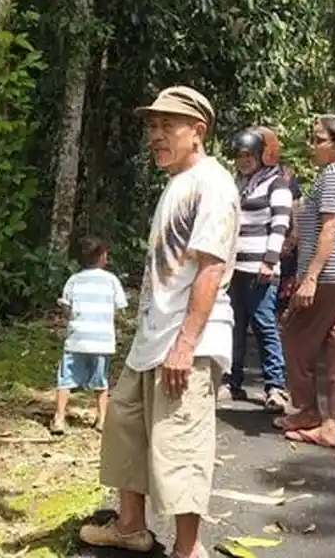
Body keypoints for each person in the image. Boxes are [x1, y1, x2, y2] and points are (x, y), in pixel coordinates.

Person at [78, 86, 237, 558]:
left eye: (169, 125)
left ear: (198, 132)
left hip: (186, 340)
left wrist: (186, 343)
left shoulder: (214, 184)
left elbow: (211, 267)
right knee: (127, 429)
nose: (157, 135)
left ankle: (189, 549)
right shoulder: (177, 183)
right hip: (153, 337)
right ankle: (130, 527)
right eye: (153, 125)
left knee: (180, 444)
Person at [274, 114, 335, 450]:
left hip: (331, 272)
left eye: (319, 140)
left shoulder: (332, 174)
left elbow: (331, 227)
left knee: (294, 336)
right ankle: (332, 425)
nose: (312, 146)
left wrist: (310, 276)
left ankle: (307, 410)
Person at [223, 128, 293, 413]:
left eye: (249, 156)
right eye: (239, 156)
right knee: (234, 325)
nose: (243, 161)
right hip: (234, 266)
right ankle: (232, 379)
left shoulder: (277, 184)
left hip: (260, 267)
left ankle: (275, 386)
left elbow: (280, 224)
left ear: (261, 156)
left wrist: (269, 261)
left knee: (264, 325)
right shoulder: (238, 184)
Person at [51, 236, 128, 435]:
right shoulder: (111, 280)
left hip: (76, 340)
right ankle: (102, 419)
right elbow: (120, 307)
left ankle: (59, 418)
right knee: (101, 382)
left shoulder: (73, 280)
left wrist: (64, 307)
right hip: (101, 341)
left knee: (65, 379)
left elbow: (68, 311)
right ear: (103, 256)